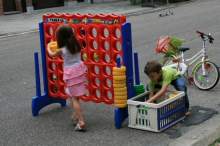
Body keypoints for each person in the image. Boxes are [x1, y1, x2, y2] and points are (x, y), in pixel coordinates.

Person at [47, 24, 86, 131]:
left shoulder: (62, 50)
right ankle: (75, 113)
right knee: (68, 92)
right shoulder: (76, 45)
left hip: (71, 74)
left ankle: (81, 121)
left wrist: (48, 47)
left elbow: (51, 54)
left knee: (74, 98)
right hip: (80, 72)